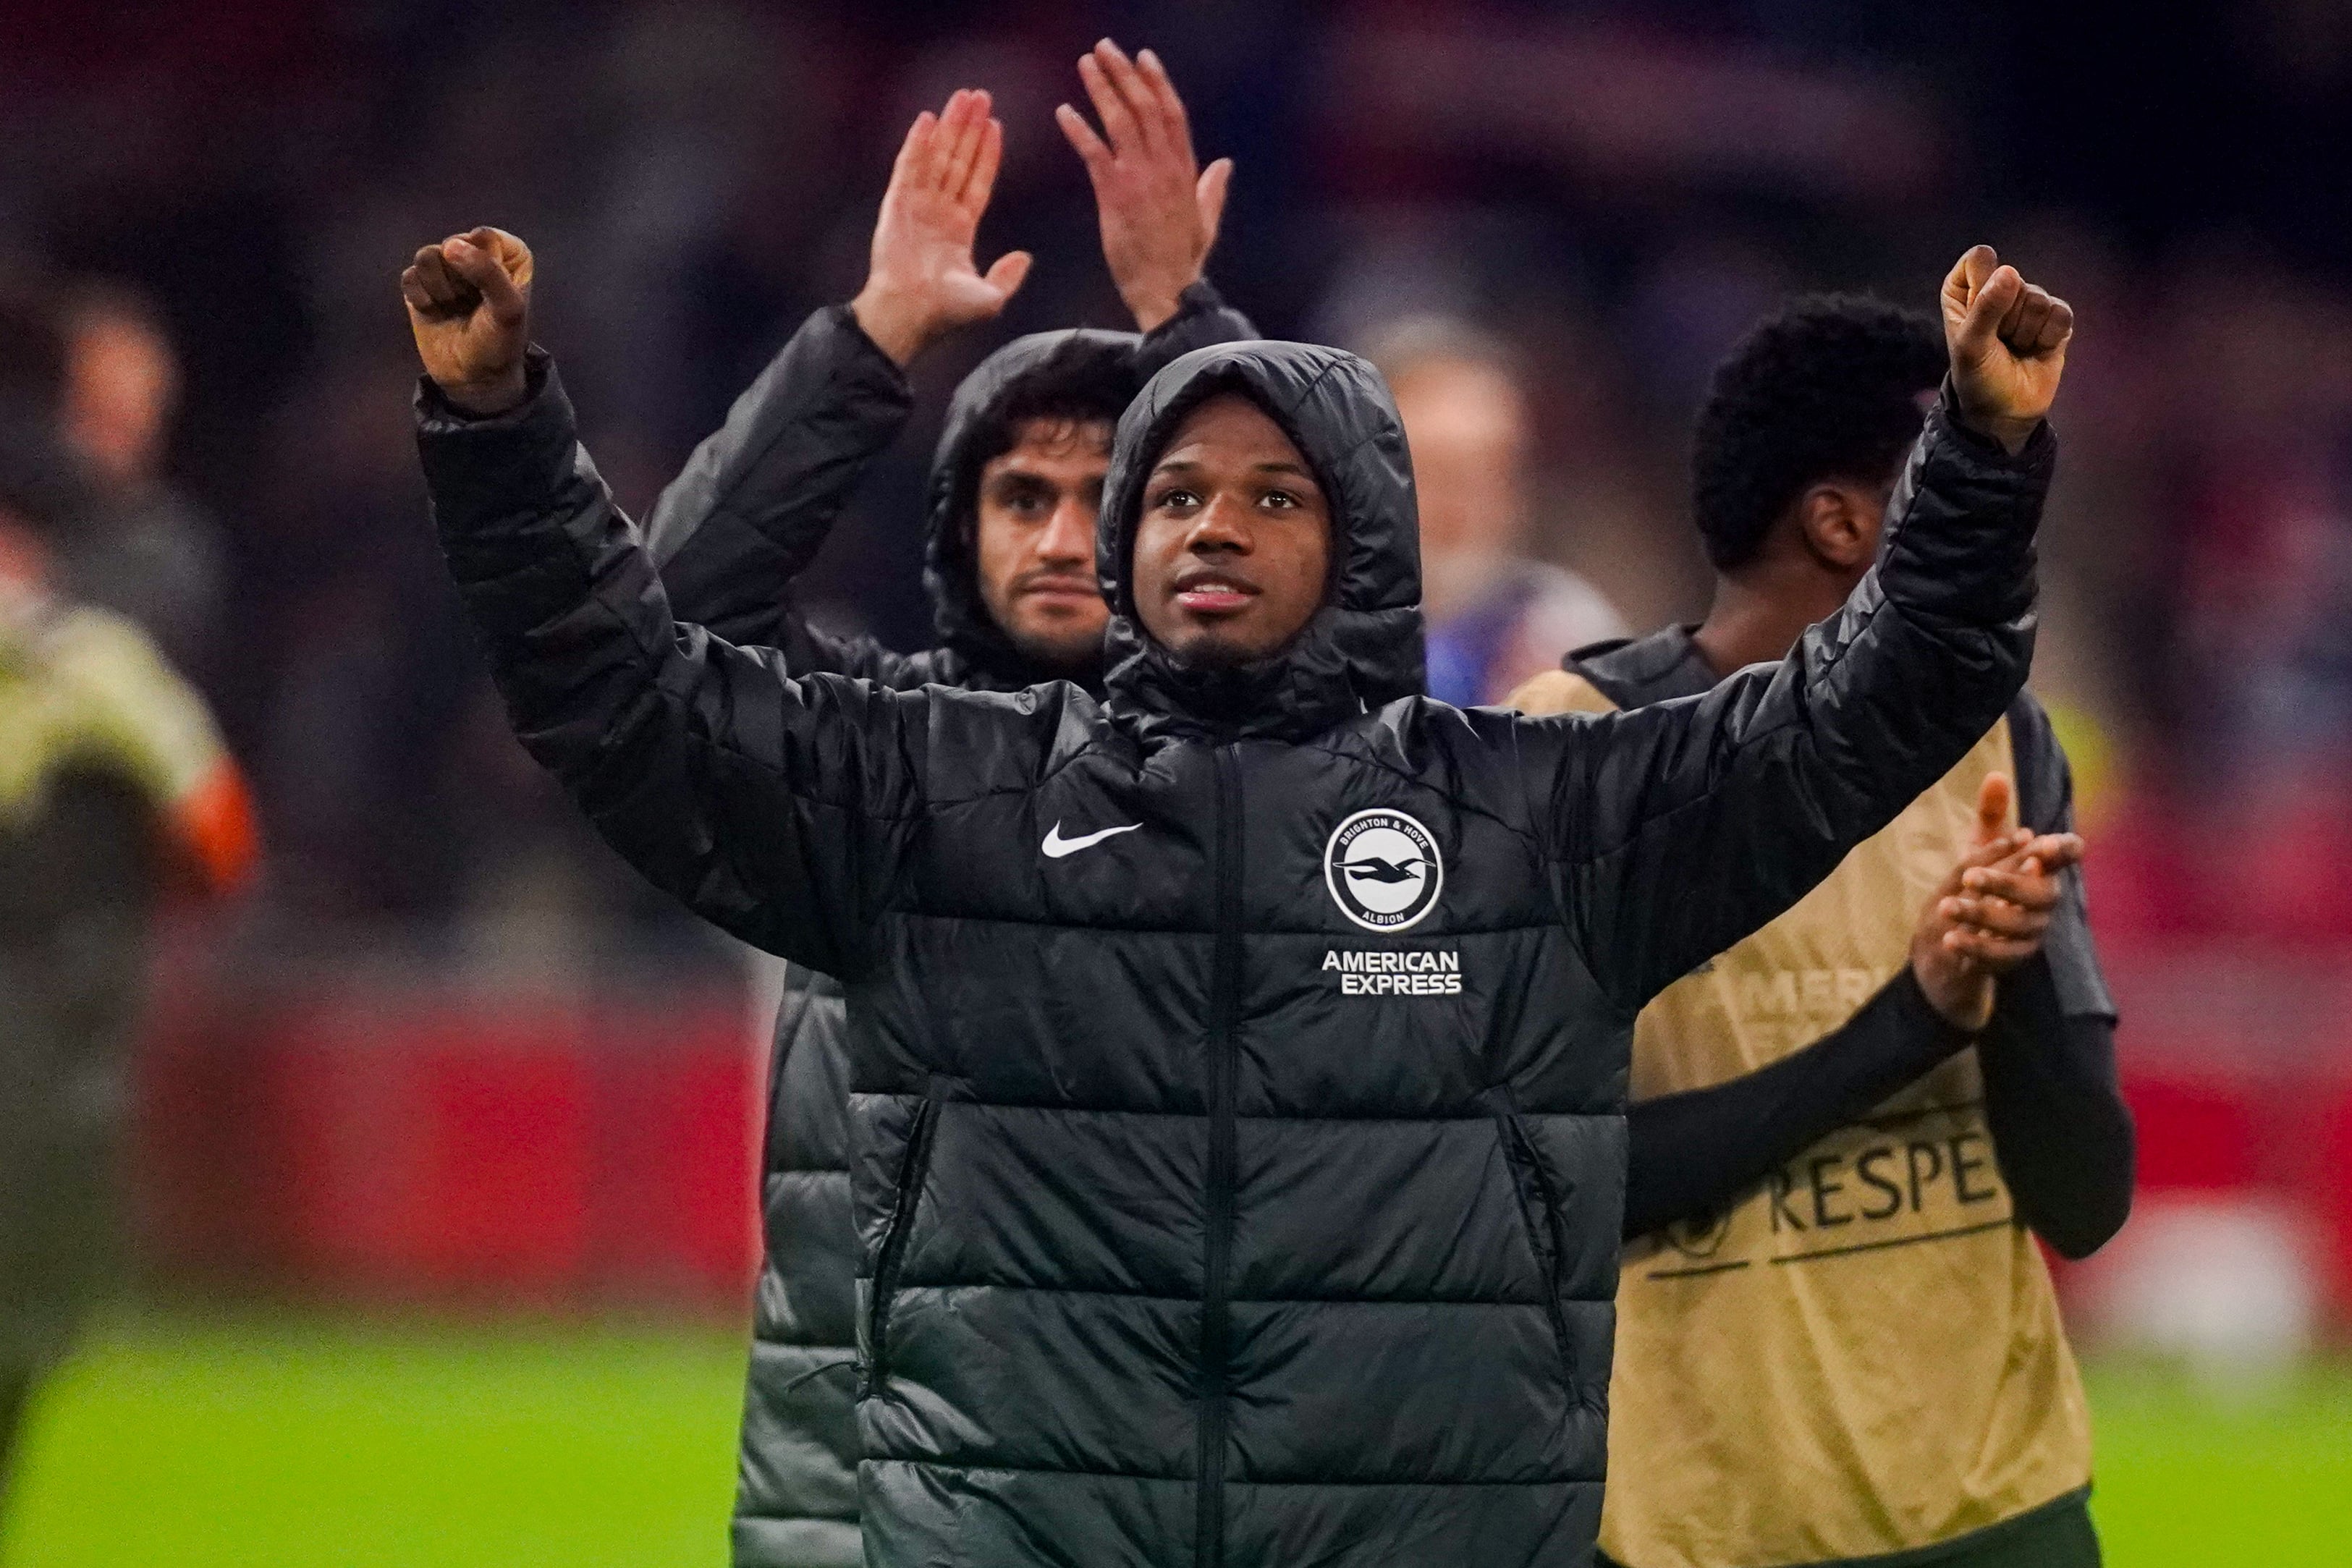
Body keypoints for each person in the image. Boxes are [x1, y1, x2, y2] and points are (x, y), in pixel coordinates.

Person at [407, 216, 2069, 1564]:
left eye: (1276, 496)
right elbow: (623, 698)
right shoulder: (941, 789)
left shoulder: (1527, 819)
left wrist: (1981, 460)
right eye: (1181, 493)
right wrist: (498, 435)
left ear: (1362, 542)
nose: (1217, 525)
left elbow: (1865, 712)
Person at [629, 43, 1251, 1566]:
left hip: (1178, 1478)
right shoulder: (866, 751)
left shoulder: (1274, 767)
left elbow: (1344, 595)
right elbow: (682, 615)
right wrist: (875, 332)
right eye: (1017, 496)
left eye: (1109, 494)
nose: (1056, 537)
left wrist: (1193, 330)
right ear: (958, 526)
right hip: (868, 1481)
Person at [1509, 296, 2132, 1568]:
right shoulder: (1563, 746)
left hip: (1995, 1509)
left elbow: (2086, 1196)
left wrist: (2001, 977)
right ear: (1846, 523)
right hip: (1697, 1527)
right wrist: (1911, 1021)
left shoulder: (2002, 739)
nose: (2006, 523)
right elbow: (1537, 1192)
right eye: (1956, 473)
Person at [0, 410, 255, 1517]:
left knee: (28, 1301)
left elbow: (216, 828)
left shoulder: (84, 663)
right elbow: (217, 830)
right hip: (55, 1005)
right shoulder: (91, 663)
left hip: (46, 1010)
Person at [1363, 317, 1625, 705]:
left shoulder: (1565, 632)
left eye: (1491, 473)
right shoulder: (1298, 632)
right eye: (1434, 471)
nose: (1460, 510)